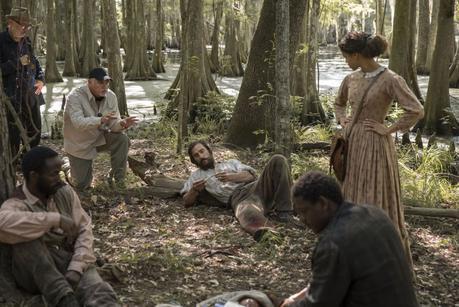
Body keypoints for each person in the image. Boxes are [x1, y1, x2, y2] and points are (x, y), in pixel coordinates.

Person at [334, 31, 424, 262]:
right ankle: (350, 251)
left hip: (374, 145)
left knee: (373, 193)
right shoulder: (352, 78)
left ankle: (378, 254)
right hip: (351, 143)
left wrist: (389, 129)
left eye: (346, 56)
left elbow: (415, 109)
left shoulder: (390, 79)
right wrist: (343, 119)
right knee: (350, 191)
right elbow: (339, 103)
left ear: (356, 54)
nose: (346, 61)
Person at [0, 146, 119, 307]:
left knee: (99, 292)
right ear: (34, 176)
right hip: (38, 273)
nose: (59, 178)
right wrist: (54, 219)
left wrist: (76, 267)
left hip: (67, 261)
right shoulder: (16, 203)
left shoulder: (63, 192)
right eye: (53, 174)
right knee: (26, 239)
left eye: (60, 172)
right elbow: (4, 224)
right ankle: (64, 298)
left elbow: (84, 229)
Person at [281, 171, 419, 307]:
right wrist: (296, 298)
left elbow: (318, 304)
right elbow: (330, 282)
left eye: (304, 211)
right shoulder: (375, 214)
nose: (302, 219)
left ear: (323, 203)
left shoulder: (332, 244)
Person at [181, 140, 296, 239]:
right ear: (193, 160)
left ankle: (285, 212)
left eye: (202, 151)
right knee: (248, 213)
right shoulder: (196, 176)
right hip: (239, 199)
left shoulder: (231, 163)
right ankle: (268, 233)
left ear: (209, 151)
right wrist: (194, 190)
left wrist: (232, 177)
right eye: (196, 155)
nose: (201, 156)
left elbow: (252, 175)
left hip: (254, 187)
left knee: (278, 159)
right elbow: (186, 201)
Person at [63, 67, 137, 191]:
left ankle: (118, 180)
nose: (104, 86)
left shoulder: (111, 96)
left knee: (122, 139)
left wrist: (122, 124)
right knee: (81, 184)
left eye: (107, 82)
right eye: (100, 83)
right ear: (89, 82)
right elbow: (78, 123)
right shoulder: (75, 97)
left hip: (100, 138)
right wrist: (100, 120)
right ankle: (66, 165)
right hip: (80, 144)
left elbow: (113, 124)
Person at [0, 7, 45, 160]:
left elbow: (35, 61)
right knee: (13, 134)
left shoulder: (26, 40)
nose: (24, 29)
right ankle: (12, 162)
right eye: (21, 25)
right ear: (10, 23)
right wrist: (17, 63)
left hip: (31, 93)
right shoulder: (1, 41)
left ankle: (29, 161)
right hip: (11, 96)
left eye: (27, 26)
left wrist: (41, 79)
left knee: (35, 129)